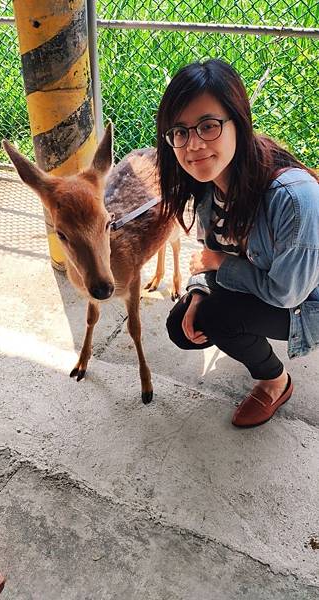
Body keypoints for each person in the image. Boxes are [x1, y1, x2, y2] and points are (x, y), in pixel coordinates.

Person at [156, 58, 319, 427]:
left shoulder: (294, 197)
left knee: (220, 319)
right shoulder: (206, 185)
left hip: (307, 301)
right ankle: (235, 328)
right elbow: (209, 254)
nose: (192, 145)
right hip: (267, 283)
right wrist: (199, 290)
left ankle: (275, 382)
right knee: (184, 323)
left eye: (208, 126)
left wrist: (218, 268)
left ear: (238, 123)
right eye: (180, 132)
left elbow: (287, 294)